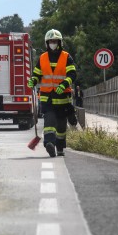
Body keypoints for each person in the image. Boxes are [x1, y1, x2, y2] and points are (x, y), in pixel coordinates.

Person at [27, 29, 77, 157]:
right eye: (50, 42)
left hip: (63, 100)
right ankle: (49, 143)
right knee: (49, 122)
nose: (52, 43)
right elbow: (37, 74)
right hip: (47, 98)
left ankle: (60, 148)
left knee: (61, 127)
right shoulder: (42, 58)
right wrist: (33, 79)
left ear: (59, 42)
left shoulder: (66, 57)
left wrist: (64, 84)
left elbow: (72, 74)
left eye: (55, 41)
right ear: (46, 43)